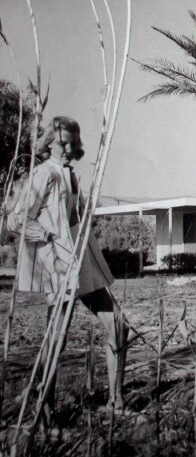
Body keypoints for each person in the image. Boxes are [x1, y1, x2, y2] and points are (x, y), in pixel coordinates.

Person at [8, 116, 128, 414]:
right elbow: (16, 218)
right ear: (49, 142)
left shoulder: (71, 175)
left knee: (119, 325)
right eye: (64, 142)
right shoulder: (43, 174)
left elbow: (75, 220)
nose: (70, 148)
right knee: (56, 340)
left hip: (82, 262)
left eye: (74, 143)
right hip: (60, 264)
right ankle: (44, 414)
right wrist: (48, 235)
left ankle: (116, 402)